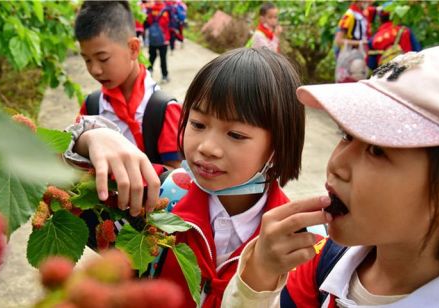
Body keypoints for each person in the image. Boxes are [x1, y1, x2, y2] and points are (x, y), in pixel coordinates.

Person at [65, 47, 307, 307]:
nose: (206, 147)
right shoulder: (156, 196)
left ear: (279, 146)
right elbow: (52, 186)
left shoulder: (300, 245)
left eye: (235, 134)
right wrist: (89, 137)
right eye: (198, 124)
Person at [222, 46, 439, 307]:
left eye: (376, 150)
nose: (337, 163)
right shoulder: (323, 263)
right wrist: (259, 275)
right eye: (346, 135)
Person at [74, 1, 181, 170]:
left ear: (133, 48)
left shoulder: (163, 110)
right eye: (87, 60)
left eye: (103, 59)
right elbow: (76, 159)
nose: (94, 70)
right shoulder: (92, 106)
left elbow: (176, 177)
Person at [367, 3, 421, 70]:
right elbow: (418, 51)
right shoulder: (405, 31)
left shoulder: (373, 39)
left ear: (380, 18)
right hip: (407, 70)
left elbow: (371, 65)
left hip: (385, 75)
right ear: (396, 16)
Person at [145, 0, 171, 83]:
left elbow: (148, 21)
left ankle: (148, 72)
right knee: (163, 58)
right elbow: (167, 22)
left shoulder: (151, 9)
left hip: (152, 38)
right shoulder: (165, 9)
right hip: (163, 38)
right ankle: (164, 76)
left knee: (152, 56)